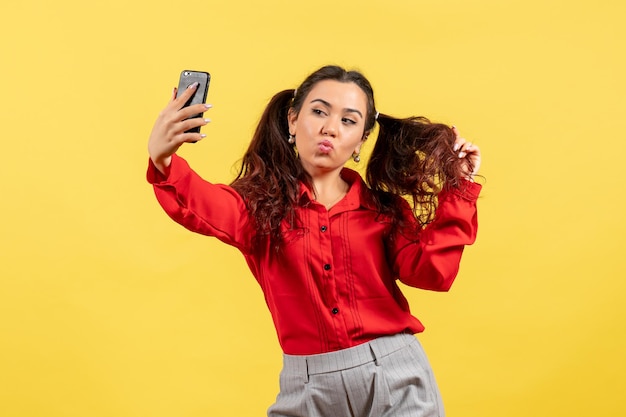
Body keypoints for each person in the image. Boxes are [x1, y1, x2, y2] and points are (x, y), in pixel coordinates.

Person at [147, 65, 482, 417]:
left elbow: (434, 273)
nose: (330, 128)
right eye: (319, 111)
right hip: (308, 389)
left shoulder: (385, 212)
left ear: (362, 141)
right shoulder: (259, 209)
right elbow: (203, 205)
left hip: (396, 378)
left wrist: (458, 189)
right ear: (292, 121)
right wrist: (163, 158)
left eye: (349, 121)